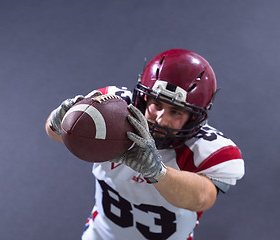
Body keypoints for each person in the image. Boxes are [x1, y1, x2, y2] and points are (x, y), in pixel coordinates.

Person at [45, 49, 245, 240]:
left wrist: (157, 171)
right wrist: (58, 122)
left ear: (193, 118)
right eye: (156, 104)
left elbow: (203, 198)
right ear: (142, 98)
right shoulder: (114, 111)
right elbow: (56, 134)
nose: (160, 118)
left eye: (175, 112)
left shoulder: (206, 149)